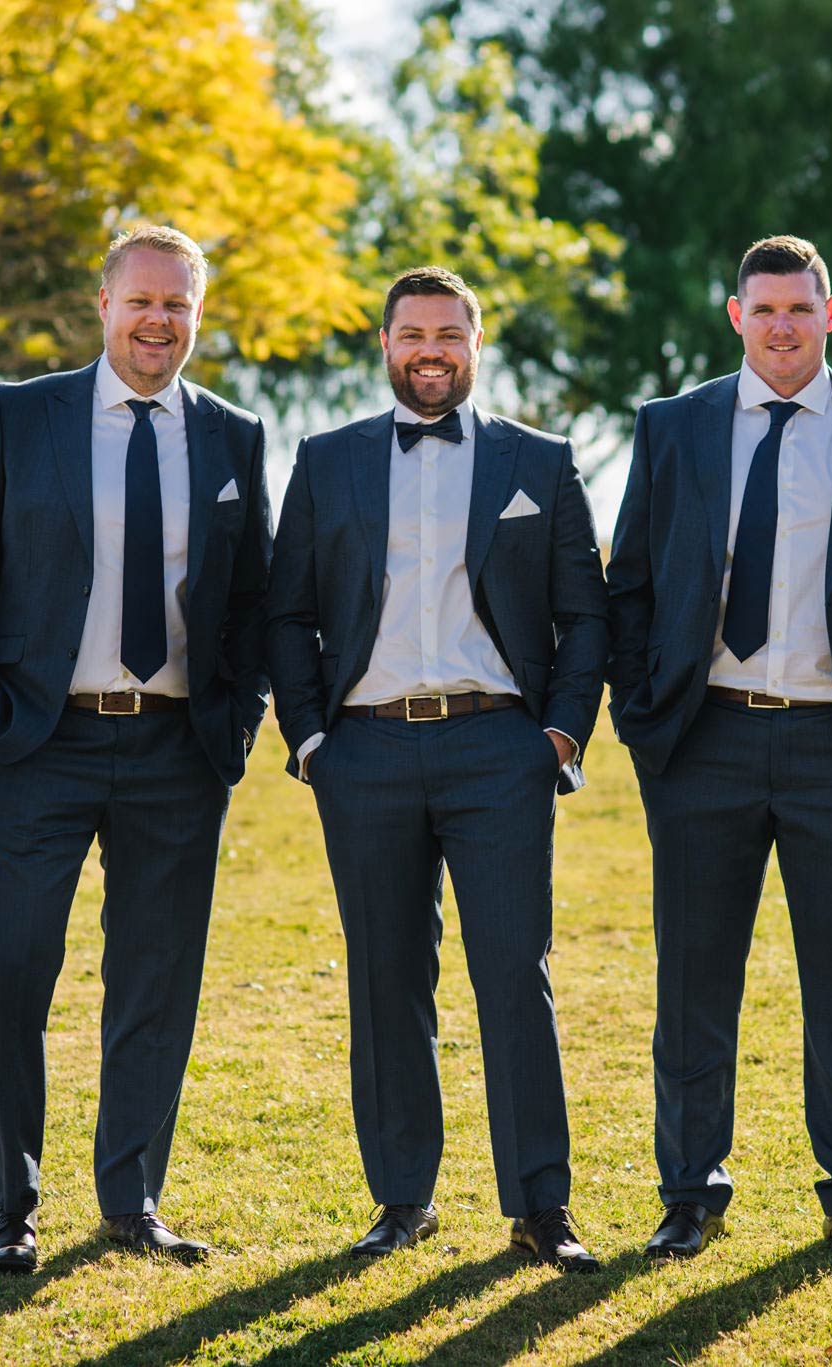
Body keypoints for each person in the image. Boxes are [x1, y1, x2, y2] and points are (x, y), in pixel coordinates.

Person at [605, 235, 832, 1263]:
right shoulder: (671, 428)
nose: (779, 326)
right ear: (734, 316)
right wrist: (643, 720)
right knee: (692, 976)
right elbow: (627, 583)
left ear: (830, 313)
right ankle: (688, 1190)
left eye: (797, 310)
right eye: (761, 309)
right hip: (702, 737)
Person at [0, 226, 270, 1271]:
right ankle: (11, 1206)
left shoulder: (234, 435)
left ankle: (131, 1196)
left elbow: (256, 598)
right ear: (104, 305)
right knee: (16, 969)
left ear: (196, 315)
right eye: (142, 302)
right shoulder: (19, 415)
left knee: (154, 981)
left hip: (177, 747)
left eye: (178, 304)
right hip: (41, 741)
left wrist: (235, 721)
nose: (158, 320)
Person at [264, 266, 609, 1272]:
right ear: (383, 343)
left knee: (514, 973)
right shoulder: (325, 460)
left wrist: (557, 735)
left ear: (474, 340)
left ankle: (540, 1205)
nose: (431, 349)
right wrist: (312, 739)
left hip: (498, 746)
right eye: (413, 333)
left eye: (449, 333)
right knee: (385, 978)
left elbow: (582, 611)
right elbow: (286, 611)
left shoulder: (536, 461)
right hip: (361, 749)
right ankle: (400, 1196)